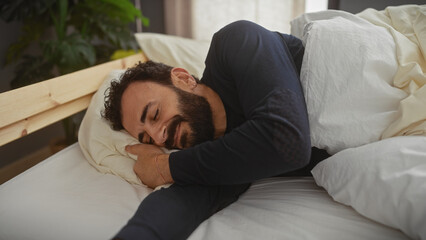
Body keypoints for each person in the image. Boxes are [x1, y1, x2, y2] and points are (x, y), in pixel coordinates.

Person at [103, 20, 329, 240]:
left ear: (183, 79)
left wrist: (165, 166)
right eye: (148, 140)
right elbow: (183, 201)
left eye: (154, 114)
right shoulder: (212, 154)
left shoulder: (235, 42)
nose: (160, 137)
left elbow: (288, 142)